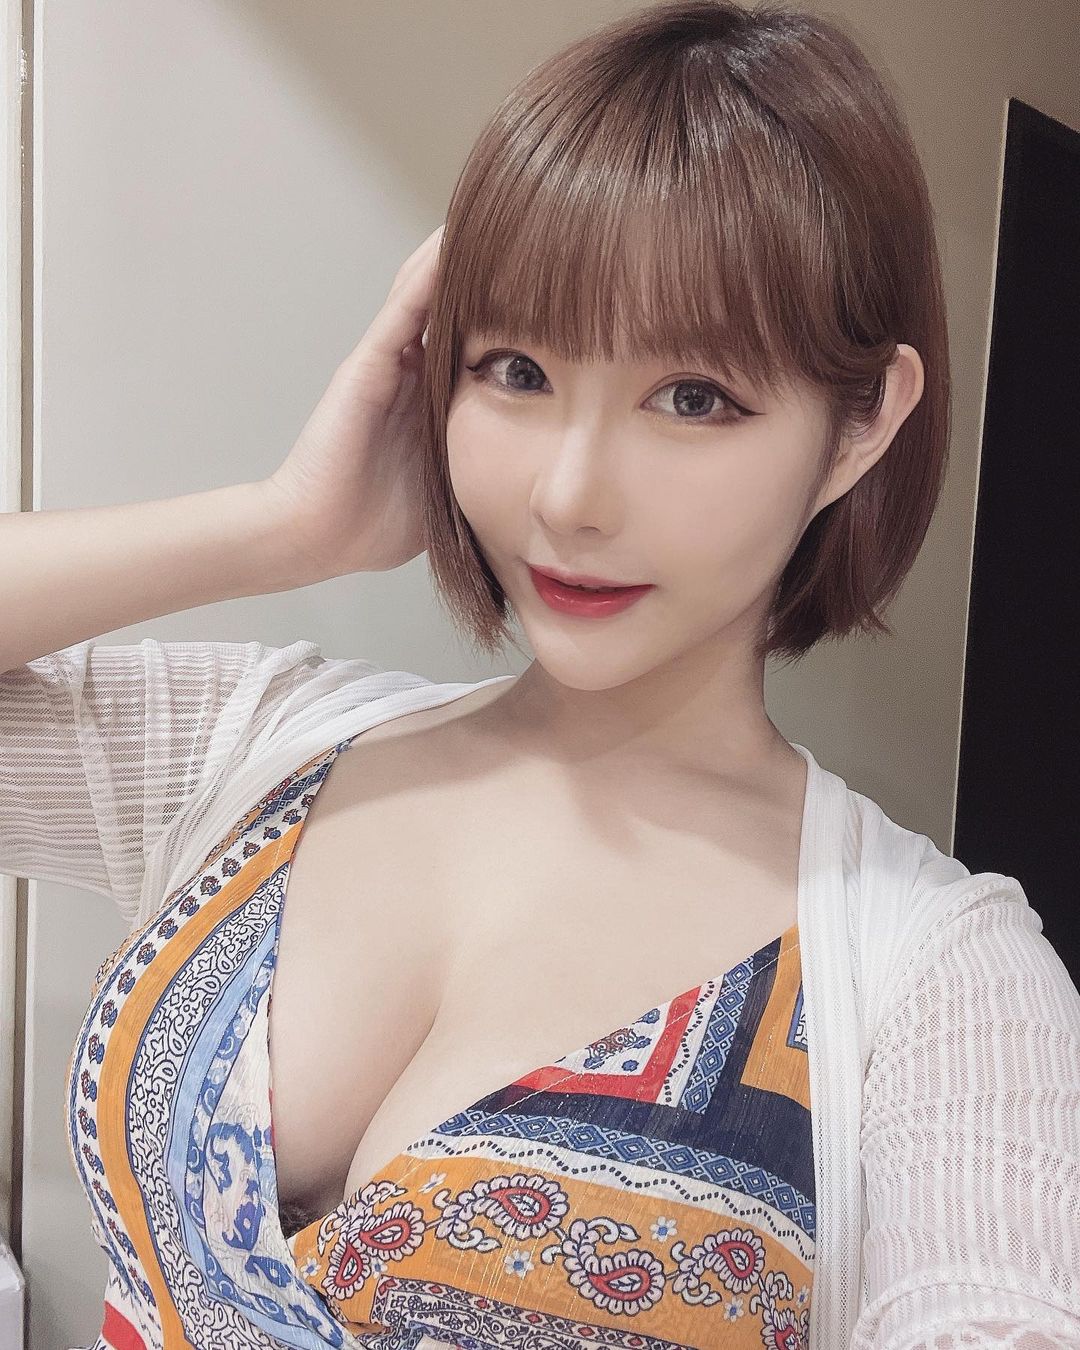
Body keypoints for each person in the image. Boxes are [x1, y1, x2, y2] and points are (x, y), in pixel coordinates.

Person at [2, 2, 1079, 1347]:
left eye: (694, 397)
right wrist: (282, 525)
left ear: (860, 426)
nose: (569, 497)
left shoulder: (941, 987)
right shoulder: (263, 740)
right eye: (517, 370)